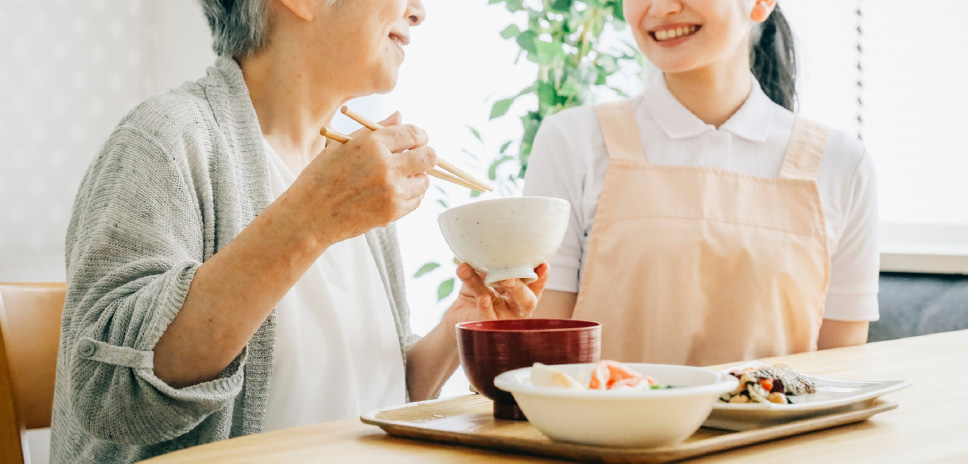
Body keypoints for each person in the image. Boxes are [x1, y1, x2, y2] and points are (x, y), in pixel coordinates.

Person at [51, 0, 548, 461]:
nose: (418, 11)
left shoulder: (351, 171)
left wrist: (459, 323)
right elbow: (109, 394)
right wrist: (313, 219)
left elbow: (373, 399)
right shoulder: (167, 138)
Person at [524, 0, 878, 366]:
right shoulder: (571, 142)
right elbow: (545, 362)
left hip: (781, 425)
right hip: (604, 423)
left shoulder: (841, 163)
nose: (660, 8)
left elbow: (842, 375)